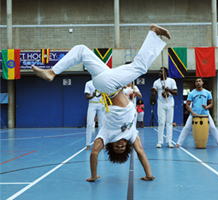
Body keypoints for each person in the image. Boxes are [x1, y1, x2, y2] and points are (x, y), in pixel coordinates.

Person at [31, 24, 171, 181]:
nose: (119, 145)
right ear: (126, 147)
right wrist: (149, 175)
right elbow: (141, 152)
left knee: (139, 67)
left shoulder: (107, 135)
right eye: (122, 147)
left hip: (109, 86)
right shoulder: (132, 135)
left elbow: (94, 153)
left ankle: (153, 32)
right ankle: (52, 72)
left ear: (110, 146)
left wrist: (93, 176)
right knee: (81, 50)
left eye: (116, 147)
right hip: (106, 81)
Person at [175, 77, 218, 148]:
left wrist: (206, 107)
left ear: (202, 82)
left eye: (199, 81)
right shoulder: (191, 93)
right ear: (195, 83)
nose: (198, 82)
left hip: (205, 114)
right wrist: (192, 113)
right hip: (193, 114)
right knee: (186, 128)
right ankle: (178, 143)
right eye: (196, 81)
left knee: (213, 128)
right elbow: (187, 105)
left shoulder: (207, 93)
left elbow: (211, 103)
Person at [150, 67, 178, 148]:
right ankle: (160, 142)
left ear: (166, 73)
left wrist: (168, 90)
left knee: (169, 123)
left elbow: (176, 93)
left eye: (161, 72)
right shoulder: (156, 82)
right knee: (161, 122)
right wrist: (153, 92)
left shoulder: (171, 81)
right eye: (159, 72)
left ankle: (169, 142)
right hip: (161, 104)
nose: (159, 73)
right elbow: (154, 96)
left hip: (170, 104)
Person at [84, 80, 105, 150]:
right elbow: (87, 97)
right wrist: (92, 96)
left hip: (101, 104)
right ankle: (88, 144)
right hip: (92, 104)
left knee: (101, 124)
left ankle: (101, 143)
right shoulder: (89, 83)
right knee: (89, 124)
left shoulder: (102, 82)